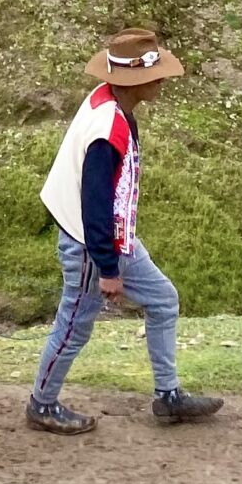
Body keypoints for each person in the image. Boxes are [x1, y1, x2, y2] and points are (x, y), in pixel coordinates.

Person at [25, 26, 223, 436]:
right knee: (75, 324)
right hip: (89, 243)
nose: (164, 80)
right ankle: (42, 404)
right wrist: (109, 269)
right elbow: (94, 204)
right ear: (139, 80)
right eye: (158, 74)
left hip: (110, 237)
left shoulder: (107, 102)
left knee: (164, 300)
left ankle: (167, 396)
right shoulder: (107, 130)